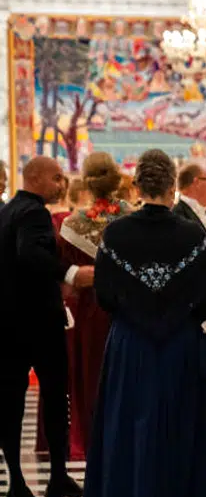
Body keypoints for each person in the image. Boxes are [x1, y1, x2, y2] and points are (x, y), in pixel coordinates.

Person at [79, 150, 206, 497]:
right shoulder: (193, 236)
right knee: (176, 435)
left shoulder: (116, 234)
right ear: (173, 186)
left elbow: (104, 295)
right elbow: (204, 300)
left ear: (137, 187)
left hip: (130, 346)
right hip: (177, 347)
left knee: (130, 437)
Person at [0, 156, 91, 497]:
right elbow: (30, 254)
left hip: (7, 325)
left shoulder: (7, 211)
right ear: (35, 178)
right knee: (55, 396)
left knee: (10, 401)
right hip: (39, 322)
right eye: (56, 177)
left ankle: (16, 482)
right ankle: (56, 476)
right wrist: (70, 274)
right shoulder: (35, 213)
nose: (62, 183)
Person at [54, 152, 129, 461]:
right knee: (124, 378)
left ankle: (90, 441)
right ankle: (123, 440)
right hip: (127, 310)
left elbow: (64, 275)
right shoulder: (132, 218)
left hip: (89, 310)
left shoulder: (73, 224)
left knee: (90, 375)